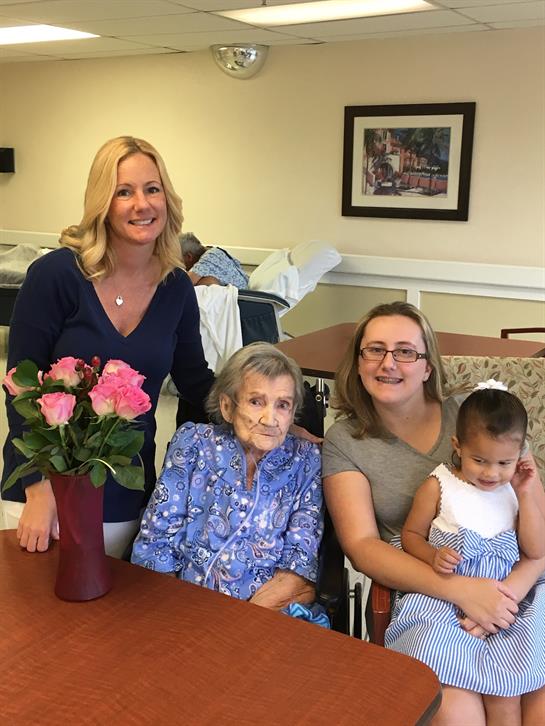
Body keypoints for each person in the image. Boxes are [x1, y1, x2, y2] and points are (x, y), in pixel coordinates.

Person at [322, 301, 545, 724]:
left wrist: (507, 596)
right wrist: (462, 591)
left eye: (406, 351)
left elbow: (536, 525)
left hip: (521, 585)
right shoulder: (345, 441)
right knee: (460, 717)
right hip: (430, 590)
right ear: (358, 361)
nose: (389, 363)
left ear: (428, 366)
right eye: (375, 350)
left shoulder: (478, 413)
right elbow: (362, 545)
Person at [1, 136, 214, 557]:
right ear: (103, 202)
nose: (142, 204)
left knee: (109, 620)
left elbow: (195, 383)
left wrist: (269, 414)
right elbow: (19, 386)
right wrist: (41, 491)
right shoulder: (56, 275)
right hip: (43, 493)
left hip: (124, 488)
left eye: (152, 189)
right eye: (124, 191)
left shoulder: (176, 290)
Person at [132, 342, 326, 622]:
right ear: (227, 406)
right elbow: (155, 543)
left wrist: (237, 626)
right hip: (180, 611)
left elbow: (298, 565)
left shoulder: (304, 460)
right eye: (256, 401)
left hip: (267, 618)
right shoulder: (194, 444)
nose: (270, 419)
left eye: (282, 405)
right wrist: (179, 619)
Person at [386, 383, 545, 723]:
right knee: (440, 656)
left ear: (520, 457)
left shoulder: (517, 490)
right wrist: (431, 555)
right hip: (445, 599)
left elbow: (536, 550)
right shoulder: (439, 485)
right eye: (479, 460)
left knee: (507, 691)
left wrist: (528, 493)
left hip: (506, 597)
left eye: (504, 462)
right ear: (458, 446)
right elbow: (410, 535)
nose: (491, 473)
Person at [180, 232, 249, 288]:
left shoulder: (210, 257)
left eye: (178, 260)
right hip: (243, 296)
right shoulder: (212, 251)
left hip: (245, 298)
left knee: (204, 283)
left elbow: (183, 284)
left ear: (189, 257)